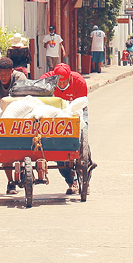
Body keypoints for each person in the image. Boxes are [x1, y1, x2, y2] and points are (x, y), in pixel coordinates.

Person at [0, 57, 30, 194]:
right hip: (0, 113)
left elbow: (25, 97)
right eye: (1, 74)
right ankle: (11, 182)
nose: (3, 77)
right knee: (5, 151)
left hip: (19, 114)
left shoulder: (20, 77)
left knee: (20, 147)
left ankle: (21, 172)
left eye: (6, 74)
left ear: (12, 71)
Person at [43, 62, 89, 195]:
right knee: (58, 148)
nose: (61, 85)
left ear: (70, 77)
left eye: (64, 82)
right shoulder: (45, 80)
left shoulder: (79, 81)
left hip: (75, 111)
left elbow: (82, 106)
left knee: (78, 140)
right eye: (59, 82)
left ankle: (83, 177)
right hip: (54, 114)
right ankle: (71, 181)